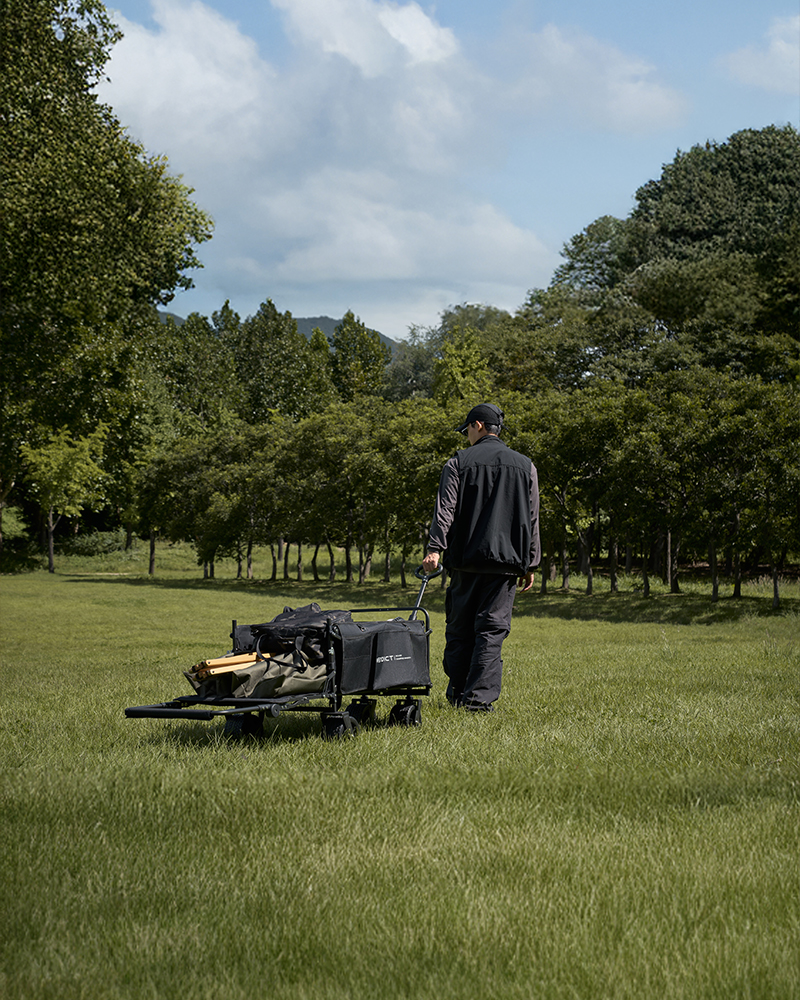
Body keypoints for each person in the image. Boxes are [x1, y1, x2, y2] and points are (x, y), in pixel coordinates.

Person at [421, 403, 540, 711]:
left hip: (464, 561)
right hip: (506, 566)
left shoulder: (457, 462)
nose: (467, 437)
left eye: (467, 431)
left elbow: (445, 510)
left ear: (477, 426)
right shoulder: (526, 466)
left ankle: (458, 693)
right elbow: (532, 517)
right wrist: (531, 563)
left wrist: (435, 548)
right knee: (491, 631)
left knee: (460, 628)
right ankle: (478, 702)